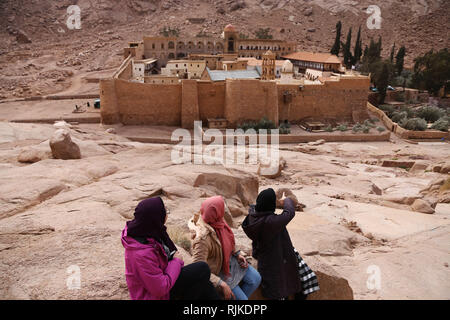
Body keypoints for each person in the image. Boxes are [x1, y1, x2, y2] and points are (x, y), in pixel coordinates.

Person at [121, 197, 220, 300]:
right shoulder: (141, 253)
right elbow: (160, 289)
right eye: (164, 211)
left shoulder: (150, 231)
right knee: (202, 270)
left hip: (165, 278)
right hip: (155, 295)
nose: (166, 214)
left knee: (204, 283)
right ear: (155, 217)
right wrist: (176, 261)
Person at [242, 188, 319, 300]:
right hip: (275, 257)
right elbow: (289, 213)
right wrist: (286, 200)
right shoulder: (270, 222)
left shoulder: (253, 216)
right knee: (282, 289)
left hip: (270, 252)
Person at [188, 196, 261, 300]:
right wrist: (219, 283)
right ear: (216, 211)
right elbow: (198, 269)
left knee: (256, 279)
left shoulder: (218, 220)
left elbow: (229, 240)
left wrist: (237, 253)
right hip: (218, 271)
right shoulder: (202, 239)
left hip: (229, 261)